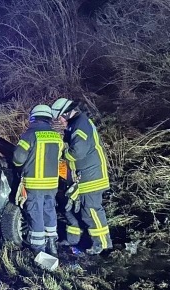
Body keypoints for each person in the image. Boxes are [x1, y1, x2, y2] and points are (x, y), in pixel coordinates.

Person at [51, 98, 112, 255]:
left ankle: (103, 244)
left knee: (91, 211)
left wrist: (63, 154)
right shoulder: (75, 125)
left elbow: (78, 151)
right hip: (82, 178)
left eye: (60, 118)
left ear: (66, 113)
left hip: (91, 177)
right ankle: (73, 240)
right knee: (71, 210)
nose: (60, 122)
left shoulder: (80, 123)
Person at [13, 105, 64, 255]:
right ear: (49, 119)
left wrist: (18, 166)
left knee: (36, 214)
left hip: (34, 184)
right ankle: (52, 245)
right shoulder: (56, 137)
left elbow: (18, 158)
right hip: (52, 185)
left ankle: (38, 249)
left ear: (33, 118)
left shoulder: (30, 135)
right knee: (49, 211)